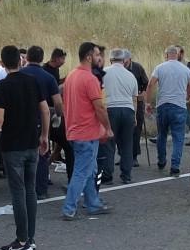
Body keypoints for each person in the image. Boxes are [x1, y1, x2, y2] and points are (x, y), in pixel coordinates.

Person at [0, 45, 50, 250]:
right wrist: (44, 136)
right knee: (30, 190)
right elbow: (45, 110)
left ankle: (21, 240)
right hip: (32, 143)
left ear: (2, 63)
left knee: (17, 192)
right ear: (20, 61)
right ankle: (30, 237)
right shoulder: (33, 81)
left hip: (13, 145)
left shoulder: (3, 86)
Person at [61, 42, 113, 220]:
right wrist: (108, 128)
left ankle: (93, 203)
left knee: (90, 169)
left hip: (75, 130)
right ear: (89, 57)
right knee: (82, 171)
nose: (100, 58)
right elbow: (99, 107)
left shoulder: (71, 76)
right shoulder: (90, 79)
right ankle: (69, 207)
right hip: (87, 132)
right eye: (97, 54)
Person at [20, 45, 61, 198]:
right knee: (42, 152)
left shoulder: (19, 74)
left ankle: (23, 188)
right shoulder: (48, 77)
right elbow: (58, 102)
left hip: (20, 119)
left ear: (27, 58)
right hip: (40, 119)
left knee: (21, 153)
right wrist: (58, 115)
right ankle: (41, 189)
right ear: (42, 59)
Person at [147, 46, 190, 176]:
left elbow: (150, 84)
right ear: (178, 55)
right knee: (178, 137)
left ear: (166, 55)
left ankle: (161, 160)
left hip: (163, 105)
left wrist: (148, 102)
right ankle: (175, 166)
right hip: (179, 106)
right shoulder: (185, 69)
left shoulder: (159, 67)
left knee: (162, 134)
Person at [102, 48, 138, 185]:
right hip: (128, 110)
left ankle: (107, 175)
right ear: (124, 60)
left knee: (109, 144)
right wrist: (135, 115)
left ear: (110, 59)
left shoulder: (104, 72)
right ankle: (126, 175)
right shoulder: (131, 75)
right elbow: (134, 98)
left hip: (110, 109)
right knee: (127, 144)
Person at [43, 48, 74, 177]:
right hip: (49, 110)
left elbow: (55, 84)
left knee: (61, 142)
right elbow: (53, 89)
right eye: (62, 59)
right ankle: (45, 173)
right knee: (51, 142)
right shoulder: (46, 70)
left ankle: (48, 168)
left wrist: (63, 80)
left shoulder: (55, 70)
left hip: (53, 110)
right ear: (56, 58)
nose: (64, 62)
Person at [125, 52, 149, 168]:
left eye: (125, 60)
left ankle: (134, 156)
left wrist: (143, 94)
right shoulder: (119, 68)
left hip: (137, 102)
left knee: (136, 129)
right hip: (124, 101)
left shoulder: (138, 68)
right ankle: (124, 155)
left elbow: (146, 83)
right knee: (123, 130)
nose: (123, 62)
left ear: (130, 58)